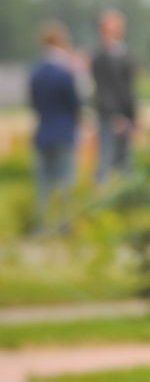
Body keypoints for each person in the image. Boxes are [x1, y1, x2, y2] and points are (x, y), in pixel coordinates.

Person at [29, 22, 82, 236]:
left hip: (42, 132)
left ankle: (42, 224)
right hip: (64, 131)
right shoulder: (65, 74)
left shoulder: (35, 73)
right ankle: (63, 224)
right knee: (65, 180)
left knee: (43, 184)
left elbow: (34, 104)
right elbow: (75, 104)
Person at [90, 8, 137, 182]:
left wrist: (132, 115)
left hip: (120, 114)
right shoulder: (103, 56)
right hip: (112, 115)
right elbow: (110, 89)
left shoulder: (121, 53)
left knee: (123, 163)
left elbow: (128, 88)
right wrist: (119, 114)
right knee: (107, 162)